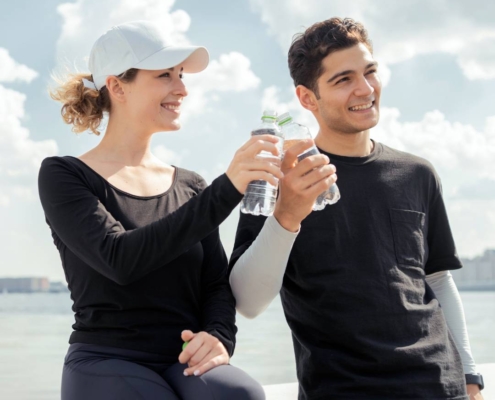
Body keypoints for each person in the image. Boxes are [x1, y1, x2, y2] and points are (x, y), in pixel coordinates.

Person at [229, 17, 485, 400]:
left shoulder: (418, 173)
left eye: (370, 72)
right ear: (306, 98)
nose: (365, 89)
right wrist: (287, 216)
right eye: (343, 79)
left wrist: (469, 376)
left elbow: (437, 280)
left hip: (439, 386)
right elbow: (247, 303)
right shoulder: (275, 179)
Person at [38, 20, 281, 400]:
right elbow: (119, 259)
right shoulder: (64, 174)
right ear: (117, 86)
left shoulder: (190, 185)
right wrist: (227, 189)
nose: (182, 88)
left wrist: (218, 337)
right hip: (105, 358)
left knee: (241, 394)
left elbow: (215, 284)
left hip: (180, 359)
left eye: (181, 75)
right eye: (165, 75)